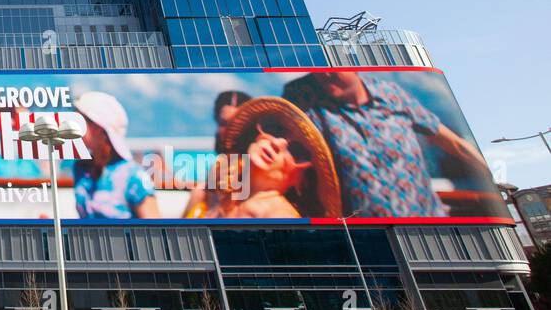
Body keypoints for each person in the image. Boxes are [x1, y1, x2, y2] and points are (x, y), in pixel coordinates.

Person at [284, 71, 491, 218]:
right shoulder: (308, 102)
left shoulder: (392, 95)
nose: (323, 75)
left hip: (431, 225)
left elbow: (455, 144)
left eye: (332, 70)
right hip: (367, 240)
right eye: (317, 71)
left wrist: (493, 182)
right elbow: (280, 136)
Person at [188, 97, 342, 220]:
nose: (278, 142)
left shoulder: (280, 217)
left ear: (302, 181)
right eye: (276, 130)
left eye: (296, 151)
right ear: (255, 136)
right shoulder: (216, 194)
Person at [70, 91, 160, 219]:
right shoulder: (81, 169)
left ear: (99, 128)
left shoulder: (134, 177)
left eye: (77, 121)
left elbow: (156, 233)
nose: (71, 127)